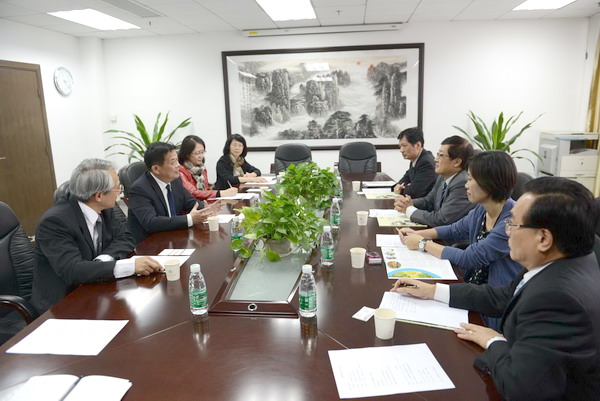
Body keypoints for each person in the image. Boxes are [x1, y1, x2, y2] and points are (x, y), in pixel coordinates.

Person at [392, 177, 600, 401]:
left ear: (543, 238)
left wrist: (494, 342)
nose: (507, 231)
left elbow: (519, 388)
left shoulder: (557, 299)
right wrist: (433, 291)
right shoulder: (559, 260)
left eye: (513, 224)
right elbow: (504, 296)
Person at [398, 151, 521, 330]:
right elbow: (455, 229)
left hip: (493, 307)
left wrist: (422, 243)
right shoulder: (482, 209)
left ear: (489, 182)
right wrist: (420, 234)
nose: (466, 185)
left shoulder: (512, 220)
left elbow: (469, 258)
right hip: (471, 291)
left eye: (470, 179)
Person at [31, 159, 162, 313]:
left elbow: (126, 237)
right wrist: (129, 266)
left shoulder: (103, 208)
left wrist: (102, 260)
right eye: (117, 188)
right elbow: (72, 270)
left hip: (95, 288)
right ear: (99, 195)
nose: (120, 192)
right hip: (63, 303)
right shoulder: (55, 222)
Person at [128, 142, 221, 244]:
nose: (178, 165)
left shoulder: (175, 180)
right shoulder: (139, 189)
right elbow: (151, 222)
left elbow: (190, 202)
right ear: (156, 169)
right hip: (151, 244)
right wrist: (189, 219)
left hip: (174, 238)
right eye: (173, 162)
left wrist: (207, 209)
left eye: (177, 160)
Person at [395, 135, 475, 227]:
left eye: (441, 155)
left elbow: (442, 219)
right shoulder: (442, 177)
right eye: (437, 154)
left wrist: (409, 210)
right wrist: (408, 203)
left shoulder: (462, 183)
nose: (435, 159)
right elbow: (429, 201)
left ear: (457, 162)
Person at [178, 135, 238, 200]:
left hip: (204, 203)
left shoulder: (202, 169)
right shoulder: (180, 171)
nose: (201, 156)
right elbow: (192, 193)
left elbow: (206, 190)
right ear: (187, 154)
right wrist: (220, 193)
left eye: (202, 152)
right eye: (197, 153)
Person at [392, 127, 436, 198]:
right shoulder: (416, 159)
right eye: (400, 146)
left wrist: (400, 190)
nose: (401, 150)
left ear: (418, 145)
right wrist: (399, 185)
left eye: (404, 146)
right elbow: (407, 176)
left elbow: (414, 192)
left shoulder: (426, 163)